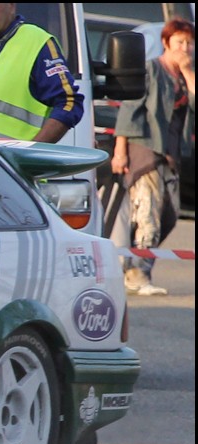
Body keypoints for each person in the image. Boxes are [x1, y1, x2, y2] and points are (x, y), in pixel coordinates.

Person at [112, 17, 195, 297]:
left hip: (171, 155)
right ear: (165, 43)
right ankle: (137, 274)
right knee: (148, 213)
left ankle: (135, 267)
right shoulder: (152, 70)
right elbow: (129, 109)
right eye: (179, 42)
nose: (185, 48)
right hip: (145, 149)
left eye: (189, 43)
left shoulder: (185, 76)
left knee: (170, 213)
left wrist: (188, 72)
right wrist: (120, 150)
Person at [0, 2, 80, 143]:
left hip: (10, 162)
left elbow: (69, 102)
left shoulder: (36, 40)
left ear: (11, 6)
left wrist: (33, 153)